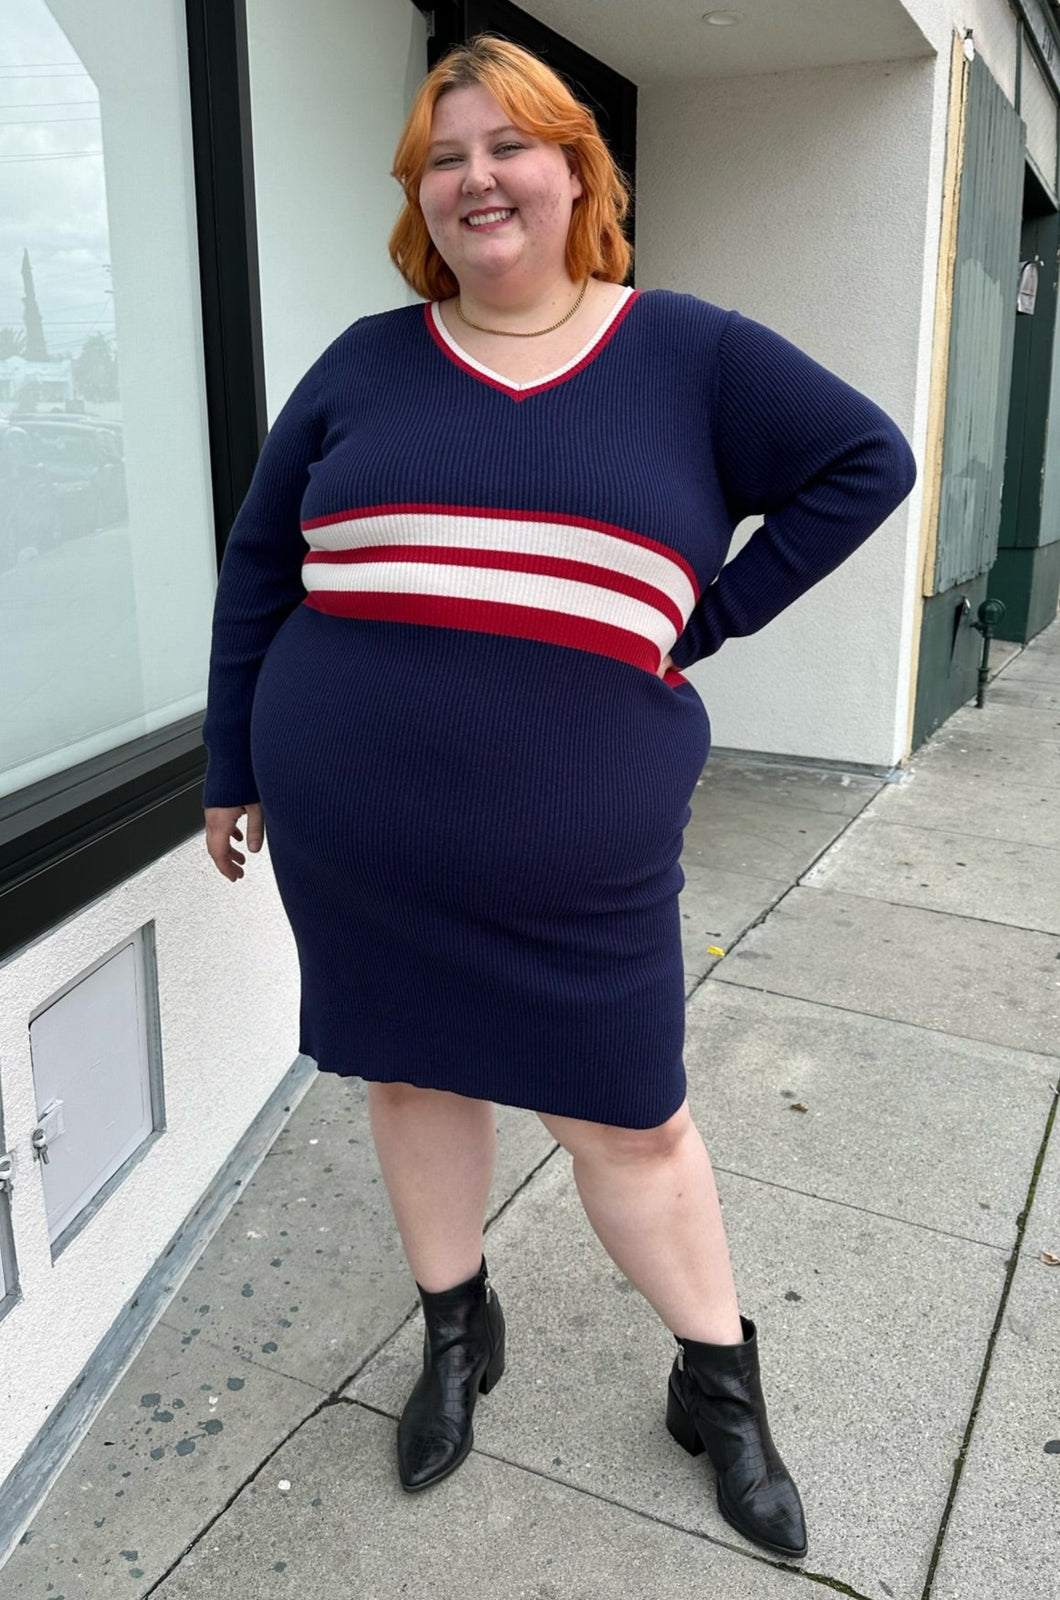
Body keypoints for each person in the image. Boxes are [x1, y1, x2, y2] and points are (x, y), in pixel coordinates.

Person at [202, 34, 916, 1562]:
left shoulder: (692, 353)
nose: (476, 179)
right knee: (409, 1079)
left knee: (631, 1125)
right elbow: (264, 565)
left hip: (573, 847)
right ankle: (459, 1334)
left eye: (507, 147)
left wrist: (700, 616)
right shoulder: (362, 363)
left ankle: (719, 1385)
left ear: (578, 169)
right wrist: (229, 764)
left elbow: (867, 461)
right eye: (443, 158)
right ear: (422, 198)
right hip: (356, 830)